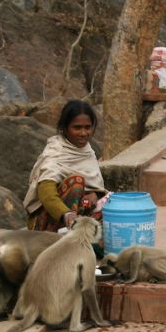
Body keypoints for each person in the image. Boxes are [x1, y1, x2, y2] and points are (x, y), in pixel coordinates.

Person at [23, 100, 108, 233]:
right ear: (65, 128)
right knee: (76, 181)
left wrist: (95, 195)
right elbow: (46, 192)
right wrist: (66, 214)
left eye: (88, 127)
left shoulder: (87, 152)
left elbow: (97, 186)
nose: (84, 133)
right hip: (48, 221)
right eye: (77, 127)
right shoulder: (55, 151)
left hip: (78, 214)